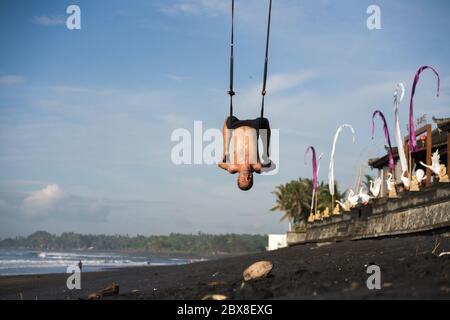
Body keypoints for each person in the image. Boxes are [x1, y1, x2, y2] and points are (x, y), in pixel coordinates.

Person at [218, 116, 272, 191]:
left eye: (243, 179)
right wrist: (266, 157)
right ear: (252, 178)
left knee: (228, 119)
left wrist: (225, 155)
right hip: (255, 126)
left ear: (238, 178)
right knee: (265, 122)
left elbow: (219, 164)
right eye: (249, 180)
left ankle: (225, 150)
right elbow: (270, 165)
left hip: (236, 126)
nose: (247, 177)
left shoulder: (233, 167)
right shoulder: (257, 166)